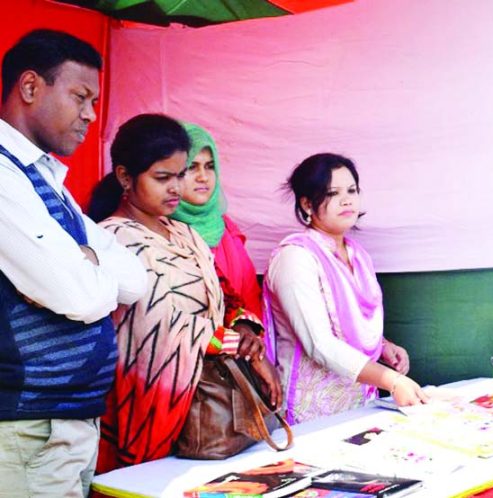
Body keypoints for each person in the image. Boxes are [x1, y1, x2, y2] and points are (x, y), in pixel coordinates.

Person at [87, 114, 280, 472]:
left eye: (180, 175)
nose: (176, 187)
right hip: (147, 407)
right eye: (163, 178)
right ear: (125, 177)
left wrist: (248, 332)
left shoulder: (185, 234)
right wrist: (240, 349)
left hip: (208, 410)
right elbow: (153, 323)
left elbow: (225, 296)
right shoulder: (112, 239)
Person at [0, 30, 146, 497]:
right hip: (28, 427)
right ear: (29, 87)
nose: (91, 114)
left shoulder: (46, 180)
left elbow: (135, 280)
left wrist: (84, 260)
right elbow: (77, 296)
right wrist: (83, 269)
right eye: (80, 96)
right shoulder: (3, 174)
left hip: (61, 422)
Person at [264, 153, 427, 424]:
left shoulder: (358, 256)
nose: (347, 199)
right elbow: (320, 343)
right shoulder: (295, 257)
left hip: (361, 405)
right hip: (307, 415)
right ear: (306, 203)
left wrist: (384, 346)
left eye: (352, 190)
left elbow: (349, 324)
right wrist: (391, 380)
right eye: (332, 193)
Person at [170, 122, 265, 359]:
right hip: (183, 359)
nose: (203, 177)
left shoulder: (225, 227)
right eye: (192, 167)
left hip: (236, 361)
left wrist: (249, 336)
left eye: (210, 167)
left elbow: (248, 294)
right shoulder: (162, 228)